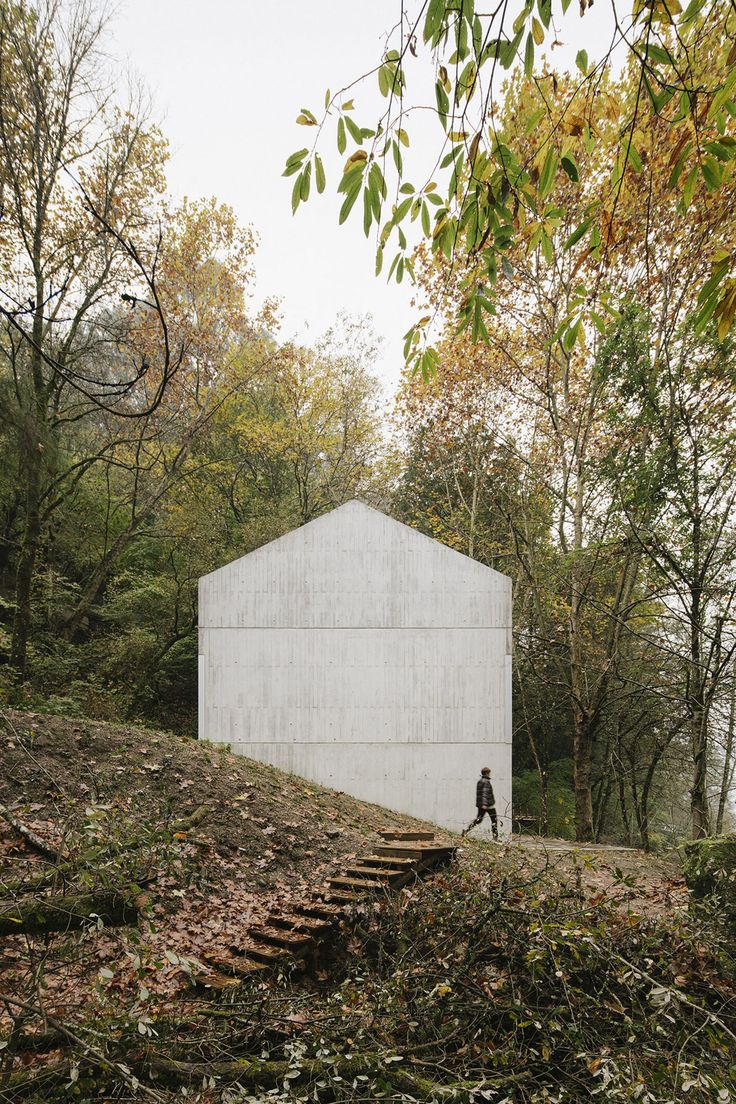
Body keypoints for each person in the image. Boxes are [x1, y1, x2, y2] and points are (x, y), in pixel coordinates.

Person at [461, 767, 499, 839]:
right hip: (488, 805)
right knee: (494, 820)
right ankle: (495, 837)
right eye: (489, 773)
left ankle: (466, 830)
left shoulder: (480, 781)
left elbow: (480, 793)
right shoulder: (486, 781)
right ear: (487, 773)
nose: (490, 774)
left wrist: (482, 804)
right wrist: (484, 804)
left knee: (478, 820)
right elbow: (484, 793)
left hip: (482, 804)